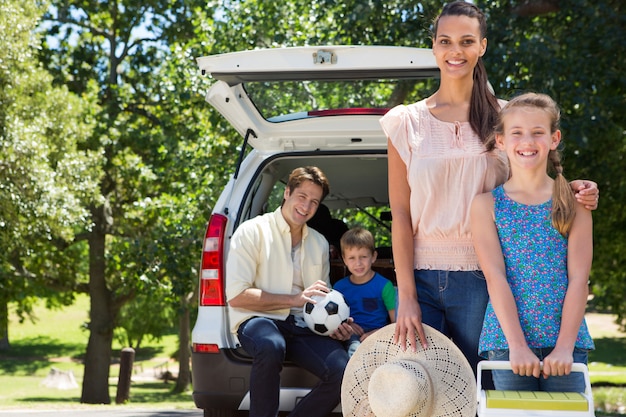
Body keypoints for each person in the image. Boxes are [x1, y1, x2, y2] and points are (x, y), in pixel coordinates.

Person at [380, 0, 599, 377]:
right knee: (424, 388)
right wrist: (407, 296)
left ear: (481, 46)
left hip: (486, 278)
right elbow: (400, 213)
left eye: (467, 41)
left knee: (481, 389)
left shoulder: (503, 117)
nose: (455, 51)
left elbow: (533, 174)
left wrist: (573, 187)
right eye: (446, 41)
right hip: (420, 279)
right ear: (433, 46)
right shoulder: (405, 122)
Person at [471, 93, 594, 392]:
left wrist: (565, 346)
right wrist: (517, 346)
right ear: (501, 141)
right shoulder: (485, 205)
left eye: (538, 132)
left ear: (554, 138)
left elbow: (579, 279)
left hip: (566, 344)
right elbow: (495, 277)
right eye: (517, 133)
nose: (527, 141)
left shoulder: (574, 203)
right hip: (507, 344)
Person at [225, 166, 353, 417]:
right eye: (302, 197)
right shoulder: (252, 231)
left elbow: (320, 301)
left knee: (344, 372)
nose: (306, 207)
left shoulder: (319, 242)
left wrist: (335, 326)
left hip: (303, 326)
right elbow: (237, 296)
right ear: (287, 193)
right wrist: (294, 299)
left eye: (314, 202)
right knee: (271, 345)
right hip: (257, 320)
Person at [333, 227, 396, 356]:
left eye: (363, 256)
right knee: (354, 350)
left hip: (379, 334)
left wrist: (375, 334)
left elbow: (396, 323)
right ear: (344, 259)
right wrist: (349, 325)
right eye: (352, 258)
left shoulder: (384, 286)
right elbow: (334, 319)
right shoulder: (339, 287)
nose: (358, 263)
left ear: (373, 257)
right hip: (351, 335)